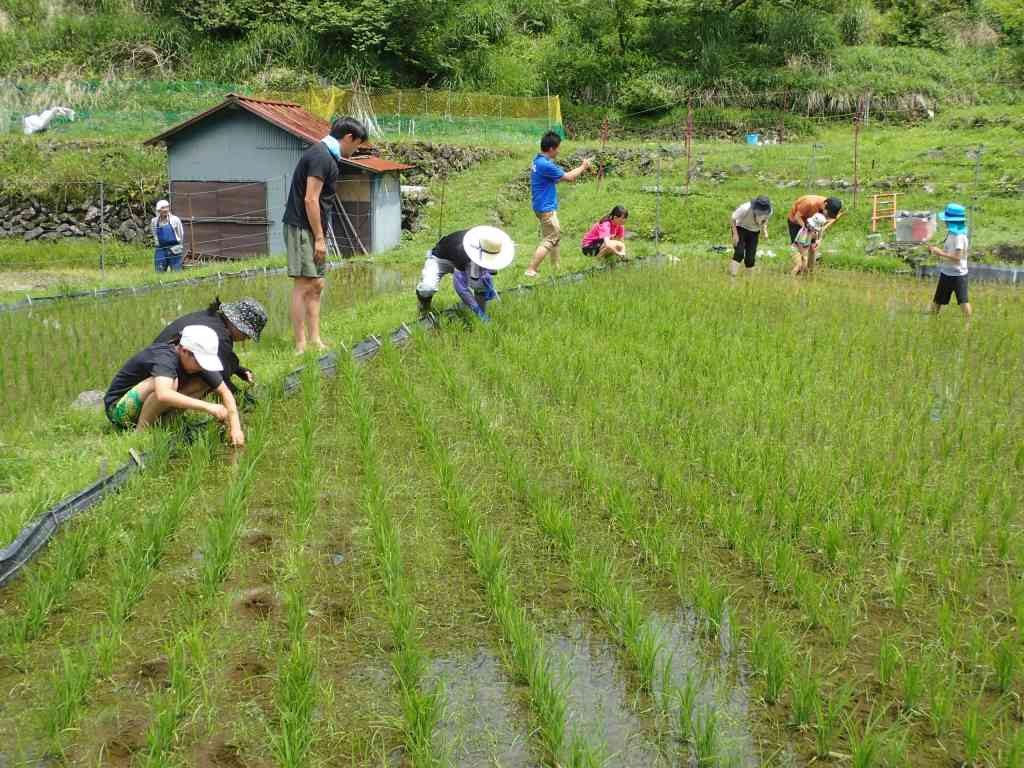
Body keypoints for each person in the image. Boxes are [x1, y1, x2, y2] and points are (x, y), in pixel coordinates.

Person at [282, 116, 368, 354]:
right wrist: (319, 238)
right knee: (303, 284)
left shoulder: (327, 156)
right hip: (302, 227)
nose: (356, 149)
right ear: (348, 137)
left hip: (313, 228)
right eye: (357, 144)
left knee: (317, 284)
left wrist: (321, 234)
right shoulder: (321, 157)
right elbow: (311, 199)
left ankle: (315, 339)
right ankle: (300, 344)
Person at [104, 325, 245, 446]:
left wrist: (235, 428)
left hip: (147, 407)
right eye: (200, 361)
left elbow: (225, 392)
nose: (202, 366)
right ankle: (141, 434)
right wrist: (208, 407)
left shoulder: (197, 364)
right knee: (170, 384)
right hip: (119, 411)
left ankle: (165, 424)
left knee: (204, 383)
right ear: (184, 351)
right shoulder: (165, 357)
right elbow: (163, 394)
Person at [154, 297, 268, 392]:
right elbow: (219, 379)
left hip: (156, 371)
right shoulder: (221, 337)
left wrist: (238, 370)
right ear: (237, 324)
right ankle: (167, 416)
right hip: (159, 383)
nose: (247, 338)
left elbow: (220, 359)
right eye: (246, 334)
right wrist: (243, 398)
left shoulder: (212, 318)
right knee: (205, 382)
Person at [524, 131, 593, 277]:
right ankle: (531, 269)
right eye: (558, 148)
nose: (559, 151)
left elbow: (553, 178)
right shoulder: (545, 165)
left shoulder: (537, 160)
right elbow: (568, 177)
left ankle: (556, 268)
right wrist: (583, 166)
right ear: (551, 149)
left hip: (540, 206)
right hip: (546, 208)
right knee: (551, 238)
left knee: (554, 237)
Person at [416, 226, 515, 321]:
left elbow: (488, 272)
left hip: (467, 259)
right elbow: (461, 288)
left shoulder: (491, 245)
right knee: (427, 288)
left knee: (480, 284)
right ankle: (424, 309)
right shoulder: (463, 249)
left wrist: (488, 287)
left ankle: (480, 316)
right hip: (441, 259)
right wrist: (476, 309)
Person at [925, 203, 972, 319]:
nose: (945, 221)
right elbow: (949, 252)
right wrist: (934, 249)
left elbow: (957, 258)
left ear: (953, 220)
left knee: (963, 301)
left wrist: (939, 253)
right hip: (946, 272)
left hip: (958, 274)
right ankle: (930, 319)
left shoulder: (959, 237)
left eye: (947, 219)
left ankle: (968, 323)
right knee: (938, 300)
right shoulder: (952, 233)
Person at [729, 196, 772, 276]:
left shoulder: (769, 211)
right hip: (741, 228)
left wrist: (764, 230)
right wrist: (735, 235)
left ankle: (749, 280)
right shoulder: (745, 208)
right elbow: (732, 218)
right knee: (739, 253)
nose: (762, 213)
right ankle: (732, 276)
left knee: (750, 258)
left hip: (754, 232)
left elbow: (765, 220)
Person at [151, 200, 185, 273]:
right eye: (163, 208)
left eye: (167, 207)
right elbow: (155, 234)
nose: (166, 209)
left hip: (174, 248)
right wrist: (157, 244)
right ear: (159, 210)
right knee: (159, 270)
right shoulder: (154, 221)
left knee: (176, 271)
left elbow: (181, 233)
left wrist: (180, 245)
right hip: (161, 249)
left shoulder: (175, 219)